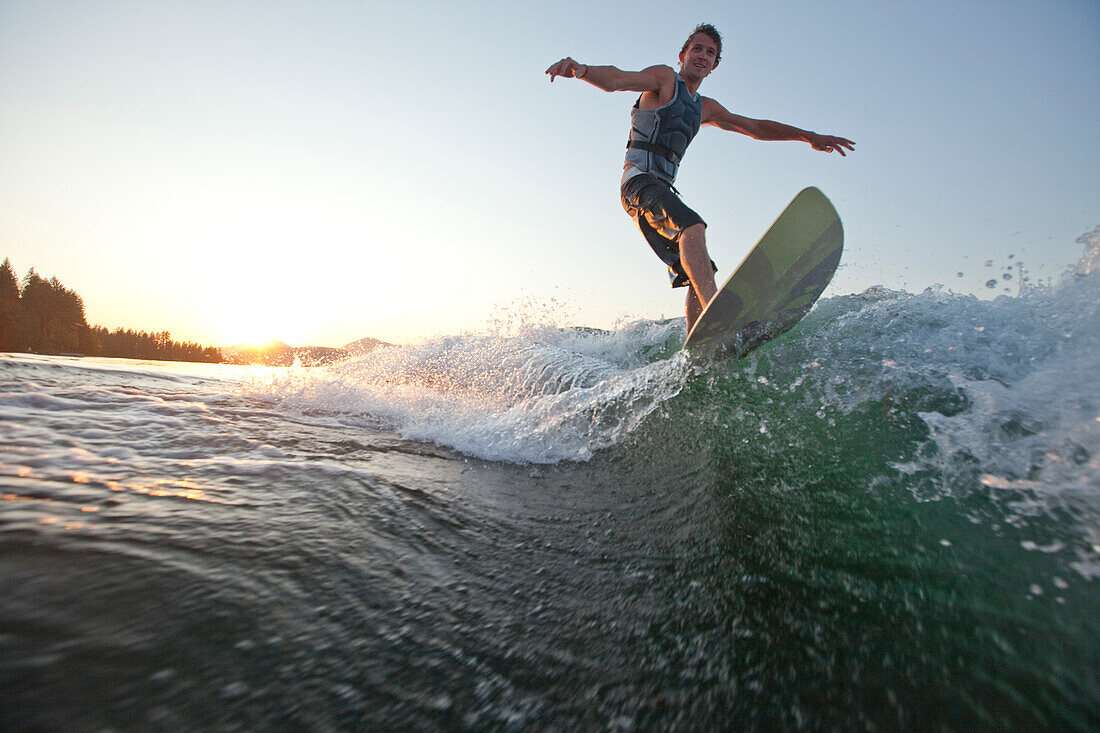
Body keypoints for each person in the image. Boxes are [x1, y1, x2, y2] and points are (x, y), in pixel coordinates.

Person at [546, 23, 855, 332]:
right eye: (697, 49)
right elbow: (617, 78)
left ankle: (701, 351)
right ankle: (722, 317)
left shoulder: (705, 107)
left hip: (660, 190)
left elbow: (756, 127)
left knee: (700, 271)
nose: (703, 56)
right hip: (639, 183)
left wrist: (807, 136)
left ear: (715, 65)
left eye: (711, 53)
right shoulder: (664, 79)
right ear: (683, 54)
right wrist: (581, 70)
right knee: (692, 226)